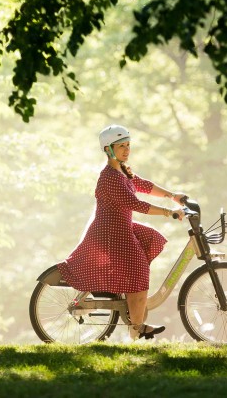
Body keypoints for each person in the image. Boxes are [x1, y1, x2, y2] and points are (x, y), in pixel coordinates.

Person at [57, 124, 185, 340]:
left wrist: (172, 195)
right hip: (109, 233)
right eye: (121, 146)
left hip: (121, 227)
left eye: (128, 145)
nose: (126, 150)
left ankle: (131, 297)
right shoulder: (109, 177)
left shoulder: (123, 170)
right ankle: (136, 328)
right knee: (138, 272)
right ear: (108, 149)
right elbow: (136, 204)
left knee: (151, 237)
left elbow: (143, 185)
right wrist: (169, 212)